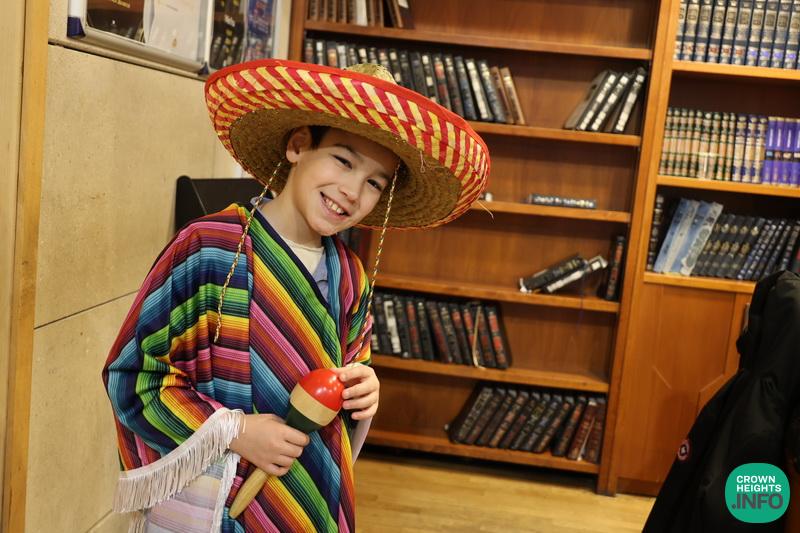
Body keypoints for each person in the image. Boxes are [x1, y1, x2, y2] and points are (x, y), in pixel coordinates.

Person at [102, 59, 489, 532]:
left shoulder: (350, 276)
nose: (352, 192)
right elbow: (133, 375)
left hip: (312, 497)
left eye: (374, 182)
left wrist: (363, 388)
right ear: (298, 145)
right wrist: (236, 431)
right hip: (219, 501)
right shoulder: (209, 249)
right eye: (343, 160)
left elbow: (351, 368)